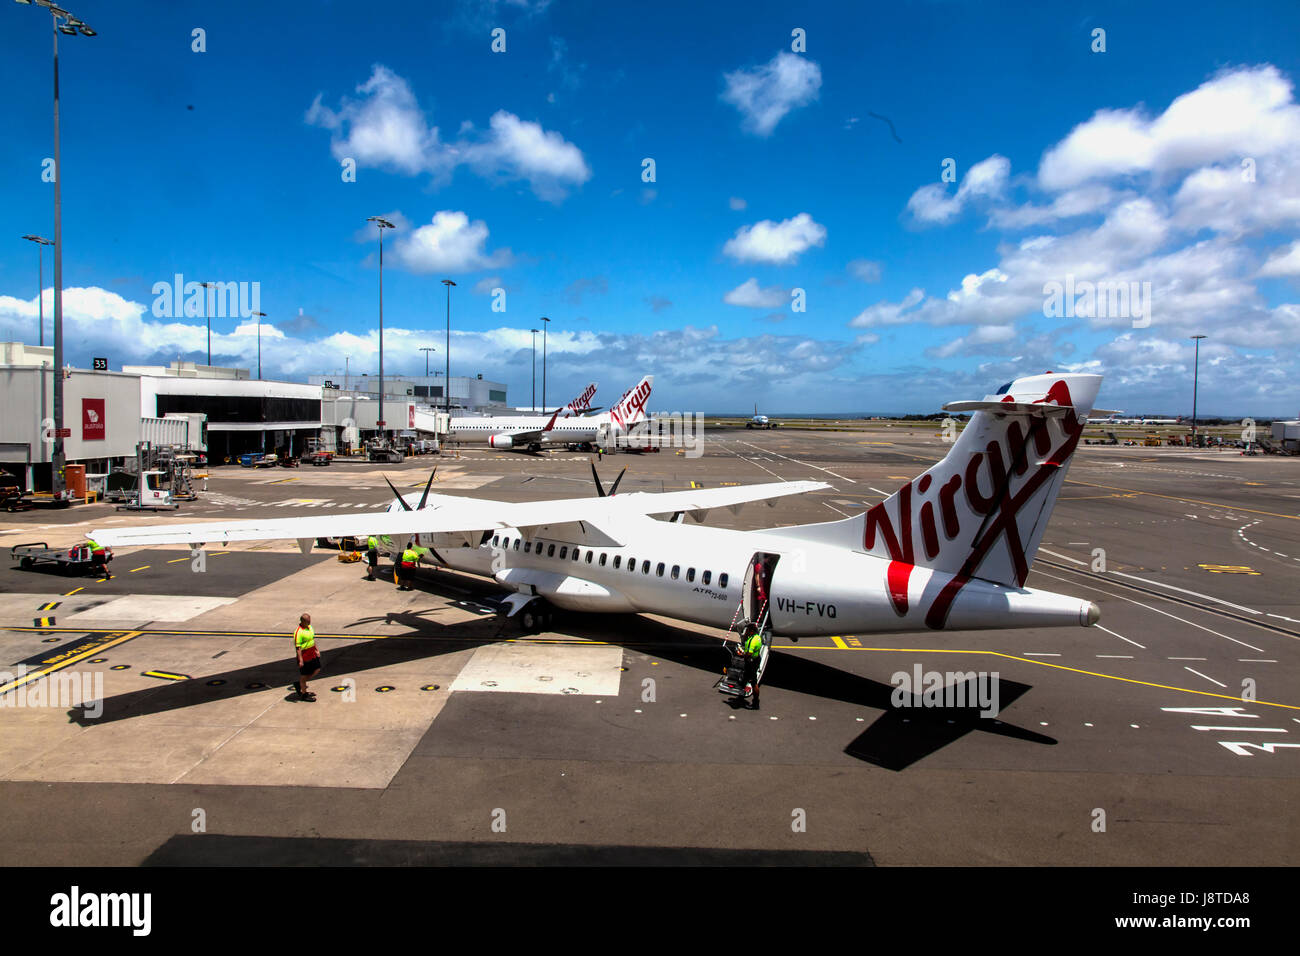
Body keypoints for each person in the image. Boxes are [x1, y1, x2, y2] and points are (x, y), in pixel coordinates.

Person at [291, 612, 321, 701]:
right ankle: (304, 694)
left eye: (310, 620)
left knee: (317, 669)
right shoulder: (298, 632)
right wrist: (300, 660)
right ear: (302, 621)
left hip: (312, 652)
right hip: (304, 655)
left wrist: (316, 650)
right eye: (308, 621)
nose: (309, 622)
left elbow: (312, 639)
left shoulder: (310, 627)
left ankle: (300, 683)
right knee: (304, 674)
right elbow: (298, 648)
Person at [741, 626, 764, 710]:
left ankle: (755, 703)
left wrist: (742, 654)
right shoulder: (757, 637)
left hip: (751, 662)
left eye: (747, 630)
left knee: (753, 682)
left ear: (751, 631)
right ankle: (742, 690)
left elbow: (749, 653)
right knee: (746, 676)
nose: (746, 631)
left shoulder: (752, 641)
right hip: (756, 659)